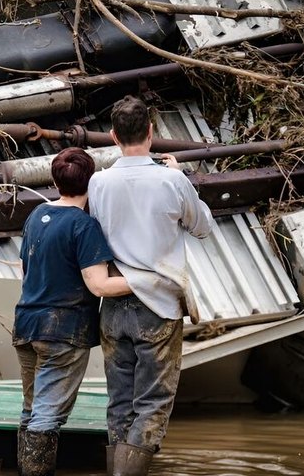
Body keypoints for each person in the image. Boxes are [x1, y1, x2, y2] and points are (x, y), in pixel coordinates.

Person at [88, 95, 214, 475]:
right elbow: (202, 227)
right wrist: (181, 177)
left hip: (113, 303)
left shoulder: (98, 182)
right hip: (157, 307)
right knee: (153, 401)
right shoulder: (172, 179)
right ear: (151, 132)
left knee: (119, 401)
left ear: (112, 136)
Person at [13, 147, 131, 476]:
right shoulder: (83, 225)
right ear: (90, 182)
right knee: (47, 415)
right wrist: (148, 282)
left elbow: (27, 271)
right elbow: (99, 285)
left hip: (26, 325)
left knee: (31, 410)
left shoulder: (36, 215)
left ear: (53, 179)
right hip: (63, 333)